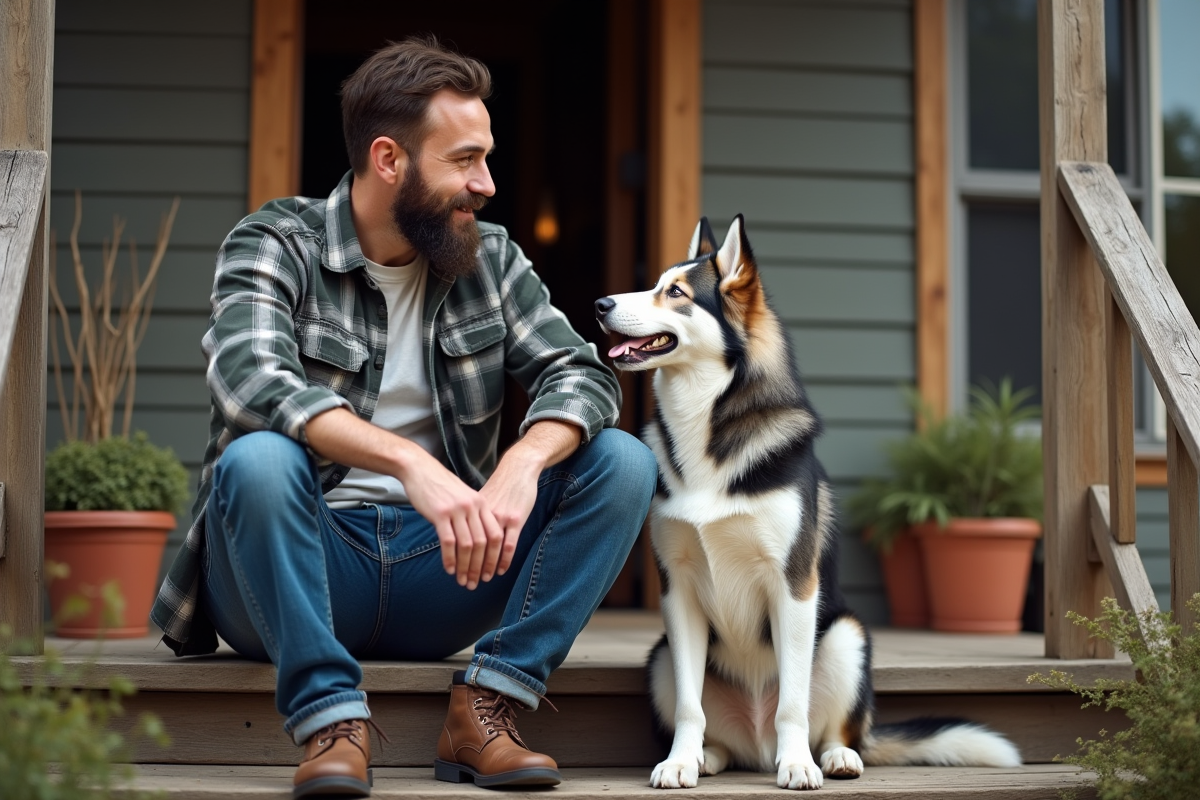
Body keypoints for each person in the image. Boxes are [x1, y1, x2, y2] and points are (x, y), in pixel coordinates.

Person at [149, 35, 656, 799]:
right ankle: (329, 721)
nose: (487, 184)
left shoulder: (491, 259)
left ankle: (488, 704)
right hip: (295, 568)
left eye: (487, 159)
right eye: (465, 160)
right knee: (257, 457)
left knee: (621, 460)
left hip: (445, 568)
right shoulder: (275, 242)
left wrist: (520, 466)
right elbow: (252, 382)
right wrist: (411, 463)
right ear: (389, 159)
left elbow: (579, 374)